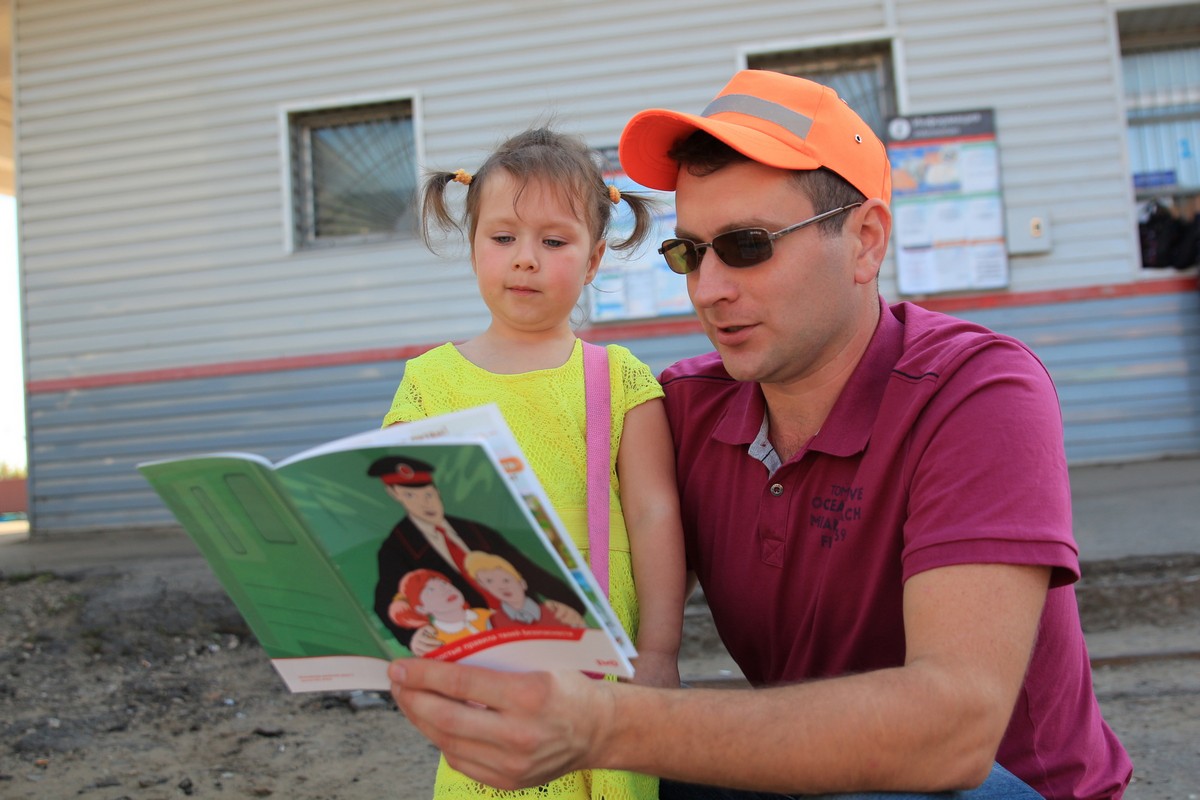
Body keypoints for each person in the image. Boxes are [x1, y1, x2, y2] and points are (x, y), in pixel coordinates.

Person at [388, 71, 1134, 800]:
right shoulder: (677, 408)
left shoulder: (978, 391)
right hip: (817, 774)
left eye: (746, 245)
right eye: (689, 251)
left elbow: (953, 730)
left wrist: (602, 721)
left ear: (867, 241)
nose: (708, 288)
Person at [381, 126, 688, 799]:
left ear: (594, 258)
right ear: (472, 249)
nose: (526, 259)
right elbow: (397, 517)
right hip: (485, 647)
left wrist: (661, 651)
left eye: (554, 241)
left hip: (605, 658)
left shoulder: (618, 379)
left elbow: (655, 513)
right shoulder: (428, 384)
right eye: (503, 238)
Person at [368, 454, 587, 654]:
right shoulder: (396, 547)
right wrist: (411, 636)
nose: (425, 503)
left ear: (438, 491)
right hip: (478, 642)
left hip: (531, 626)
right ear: (394, 494)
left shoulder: (475, 530)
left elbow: (528, 571)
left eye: (428, 494)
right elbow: (385, 599)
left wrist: (568, 603)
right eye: (410, 495)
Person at [387, 567, 495, 647]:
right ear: (421, 608)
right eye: (431, 590)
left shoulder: (485, 614)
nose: (445, 590)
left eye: (443, 583)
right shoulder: (435, 639)